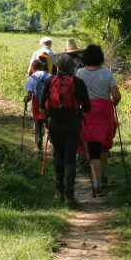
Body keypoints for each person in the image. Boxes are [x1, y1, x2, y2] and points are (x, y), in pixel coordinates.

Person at [40, 54, 90, 206]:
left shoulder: (50, 81)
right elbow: (87, 107)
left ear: (58, 67)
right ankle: (70, 196)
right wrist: (78, 109)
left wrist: (46, 121)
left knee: (58, 157)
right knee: (70, 160)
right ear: (72, 67)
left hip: (55, 123)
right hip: (73, 124)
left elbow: (42, 104)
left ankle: (58, 192)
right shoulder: (78, 82)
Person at [76, 44, 121, 196]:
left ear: (85, 57)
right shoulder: (107, 74)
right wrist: (111, 105)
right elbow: (116, 96)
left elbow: (75, 93)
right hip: (105, 112)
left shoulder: (80, 73)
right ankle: (103, 176)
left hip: (88, 112)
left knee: (93, 150)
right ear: (100, 58)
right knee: (103, 147)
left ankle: (97, 184)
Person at [24, 59, 52, 151]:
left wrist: (26, 100)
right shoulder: (50, 76)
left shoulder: (32, 78)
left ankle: (39, 144)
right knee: (49, 123)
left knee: (38, 125)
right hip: (48, 103)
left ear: (33, 68)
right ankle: (52, 141)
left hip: (37, 103)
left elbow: (29, 95)